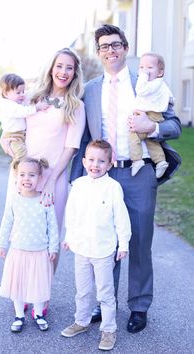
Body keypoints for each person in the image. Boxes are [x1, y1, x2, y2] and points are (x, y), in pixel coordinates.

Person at [70, 24, 182, 334]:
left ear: (126, 47)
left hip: (139, 171)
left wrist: (152, 127)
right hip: (103, 175)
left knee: (140, 241)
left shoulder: (147, 82)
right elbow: (82, 139)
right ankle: (103, 304)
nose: (110, 50)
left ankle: (139, 306)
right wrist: (76, 180)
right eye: (104, 46)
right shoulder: (90, 89)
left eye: (115, 44)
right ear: (99, 52)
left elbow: (174, 125)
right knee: (104, 242)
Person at [0, 48, 85, 314]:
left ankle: (42, 296)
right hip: (22, 177)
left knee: (49, 239)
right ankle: (23, 292)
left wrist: (50, 181)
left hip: (53, 179)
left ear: (74, 73)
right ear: (51, 68)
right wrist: (5, 141)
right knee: (22, 234)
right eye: (59, 66)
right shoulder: (33, 98)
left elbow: (70, 148)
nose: (63, 72)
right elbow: (13, 127)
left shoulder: (76, 106)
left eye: (69, 68)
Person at [61, 140, 131, 351]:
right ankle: (81, 321)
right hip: (81, 248)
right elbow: (71, 214)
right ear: (83, 161)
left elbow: (121, 218)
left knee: (105, 294)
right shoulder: (79, 185)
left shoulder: (113, 188)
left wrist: (123, 243)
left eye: (101, 161)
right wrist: (69, 236)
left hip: (103, 250)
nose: (95, 164)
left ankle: (108, 329)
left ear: (109, 164)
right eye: (91, 160)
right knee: (82, 291)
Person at [0, 157, 59, 332]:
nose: (26, 179)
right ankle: (19, 315)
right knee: (18, 284)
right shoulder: (14, 200)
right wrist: (1, 244)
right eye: (22, 175)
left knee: (38, 285)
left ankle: (38, 313)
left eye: (31, 175)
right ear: (16, 177)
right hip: (18, 250)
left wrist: (53, 247)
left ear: (40, 178)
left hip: (40, 251)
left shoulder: (45, 200)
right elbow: (6, 222)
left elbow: (52, 227)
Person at [130, 52, 174, 177]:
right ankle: (160, 161)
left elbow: (141, 90)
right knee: (151, 140)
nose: (145, 71)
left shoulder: (150, 84)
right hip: (156, 115)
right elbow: (170, 97)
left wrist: (143, 76)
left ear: (160, 72)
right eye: (141, 67)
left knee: (134, 135)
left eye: (149, 68)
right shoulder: (160, 83)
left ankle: (137, 160)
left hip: (150, 114)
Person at [0, 73, 49, 160]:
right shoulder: (7, 105)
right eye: (18, 92)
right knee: (20, 154)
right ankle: (19, 169)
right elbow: (22, 111)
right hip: (13, 136)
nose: (22, 94)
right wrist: (36, 108)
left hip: (21, 134)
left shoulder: (17, 101)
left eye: (23, 91)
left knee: (25, 152)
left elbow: (28, 96)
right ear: (6, 93)